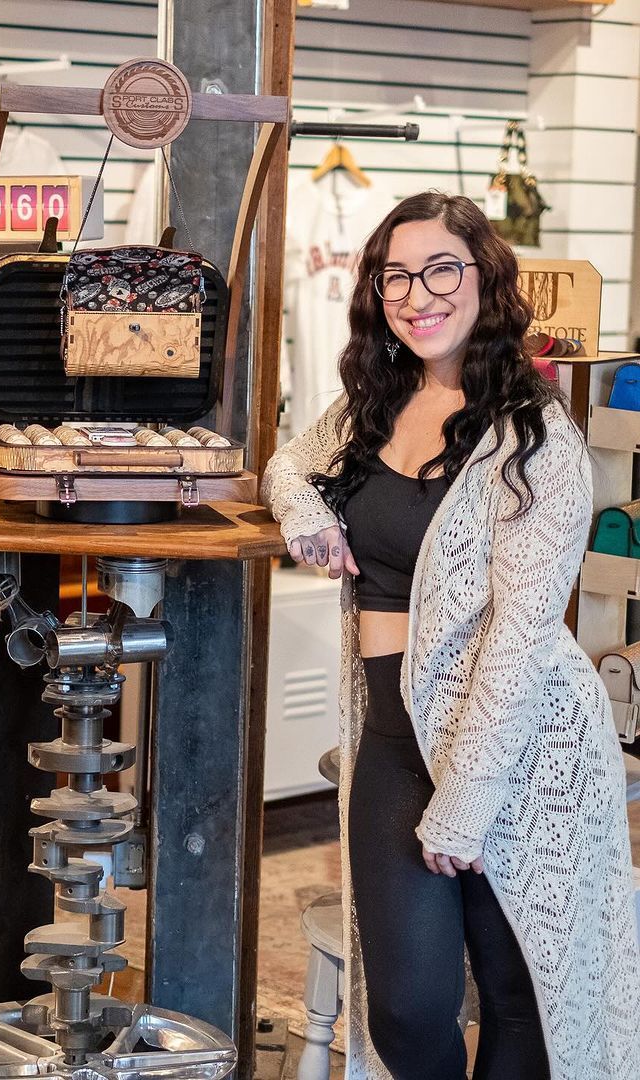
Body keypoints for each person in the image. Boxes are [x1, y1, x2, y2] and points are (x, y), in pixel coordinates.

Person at [262, 191, 640, 1080]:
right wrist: (304, 511)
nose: (416, 293)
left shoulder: (536, 437)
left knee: (524, 1003)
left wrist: (467, 800)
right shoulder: (372, 403)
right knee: (405, 1008)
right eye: (396, 275)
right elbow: (288, 462)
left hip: (521, 748)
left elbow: (519, 635)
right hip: (395, 738)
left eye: (441, 269)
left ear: (485, 280)